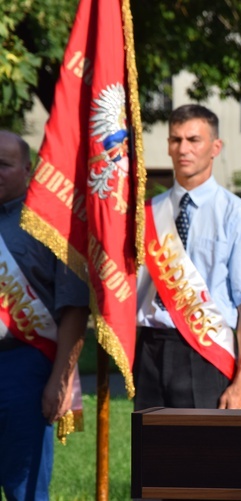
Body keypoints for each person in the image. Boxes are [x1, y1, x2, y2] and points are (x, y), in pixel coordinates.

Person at [135, 104, 241, 410]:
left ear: (215, 147)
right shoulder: (146, 215)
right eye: (176, 140)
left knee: (202, 454)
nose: (183, 149)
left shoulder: (239, 215)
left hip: (206, 350)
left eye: (194, 140)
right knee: (150, 455)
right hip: (149, 351)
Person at [0, 131, 89, 499]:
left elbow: (74, 306)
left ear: (27, 169)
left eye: (3, 165)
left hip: (26, 366)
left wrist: (60, 379)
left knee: (25, 487)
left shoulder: (50, 225)